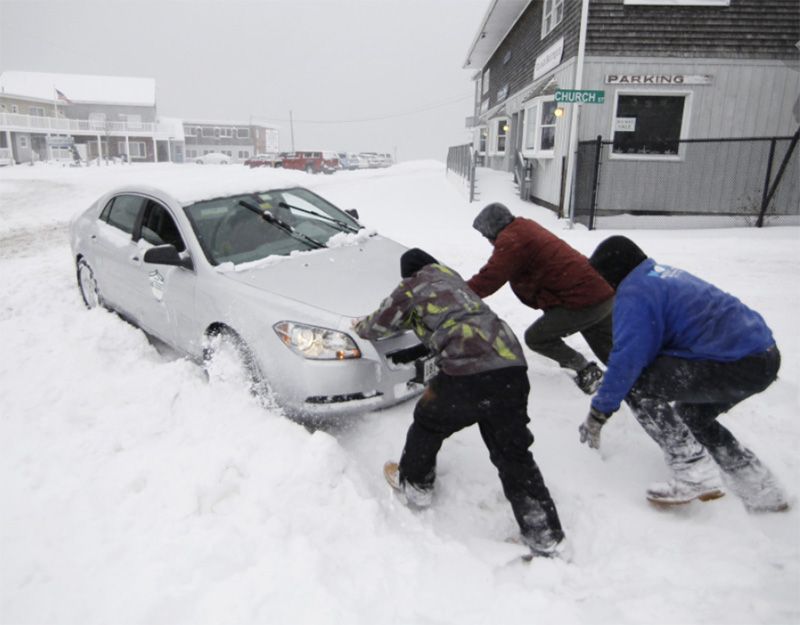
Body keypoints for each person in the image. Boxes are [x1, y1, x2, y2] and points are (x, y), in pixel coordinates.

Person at [354, 248, 566, 557]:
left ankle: (415, 485)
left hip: (467, 371)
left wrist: (359, 326)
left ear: (410, 272)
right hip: (512, 367)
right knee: (513, 453)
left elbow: (379, 324)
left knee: (428, 420)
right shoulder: (456, 284)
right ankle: (543, 533)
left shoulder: (413, 286)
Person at [580, 235, 788, 513]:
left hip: (738, 360)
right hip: (762, 356)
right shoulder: (659, 275)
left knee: (638, 386)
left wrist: (598, 413)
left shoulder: (636, 293)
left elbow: (627, 362)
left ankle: (694, 472)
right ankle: (760, 487)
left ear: (613, 273)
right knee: (692, 416)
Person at [467, 202, 613, 395]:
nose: (487, 240)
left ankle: (586, 371)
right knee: (612, 353)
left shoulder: (512, 240)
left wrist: (459, 293)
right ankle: (637, 382)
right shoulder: (524, 227)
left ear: (493, 228)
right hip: (599, 292)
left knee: (537, 338)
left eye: (485, 235)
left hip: (582, 301)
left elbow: (490, 278)